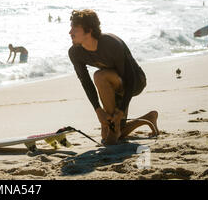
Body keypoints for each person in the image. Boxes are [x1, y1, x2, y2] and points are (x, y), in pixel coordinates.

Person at [68, 9, 159, 145]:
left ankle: (114, 128)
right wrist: (98, 110)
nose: (70, 32)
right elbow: (86, 82)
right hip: (112, 87)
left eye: (75, 28)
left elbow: (131, 78)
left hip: (134, 82)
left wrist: (121, 111)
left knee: (99, 76)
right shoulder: (75, 52)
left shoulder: (111, 43)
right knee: (109, 136)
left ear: (89, 30)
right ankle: (148, 118)